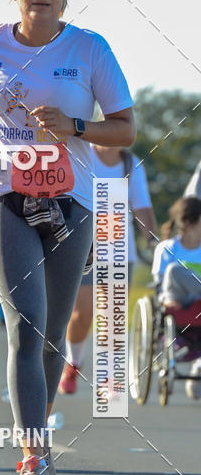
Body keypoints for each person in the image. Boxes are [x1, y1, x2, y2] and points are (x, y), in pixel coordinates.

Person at [0, 0, 135, 475]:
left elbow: (124, 130)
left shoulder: (89, 47)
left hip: (71, 204)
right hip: (3, 196)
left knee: (52, 335)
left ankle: (40, 434)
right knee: (25, 327)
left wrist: (76, 125)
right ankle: (34, 454)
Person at [58, 144, 157, 394]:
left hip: (120, 250)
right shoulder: (82, 154)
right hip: (85, 246)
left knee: (112, 317)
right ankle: (74, 362)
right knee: (83, 314)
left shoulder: (131, 163)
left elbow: (142, 205)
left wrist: (152, 240)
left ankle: (110, 377)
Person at [152, 196, 201, 399]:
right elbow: (159, 283)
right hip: (176, 301)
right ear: (190, 223)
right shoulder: (167, 248)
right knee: (173, 270)